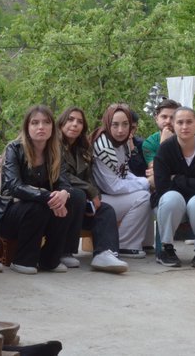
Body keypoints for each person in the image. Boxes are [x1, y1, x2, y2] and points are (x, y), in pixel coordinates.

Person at [0, 105, 85, 274]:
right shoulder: (14, 148)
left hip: (43, 206)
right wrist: (47, 196)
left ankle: (50, 260)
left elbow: (64, 182)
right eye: (35, 123)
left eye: (46, 122)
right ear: (27, 127)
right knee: (39, 207)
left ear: (53, 127)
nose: (41, 127)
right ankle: (22, 260)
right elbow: (14, 187)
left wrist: (64, 193)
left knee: (69, 200)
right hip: (11, 212)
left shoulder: (56, 150)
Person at [58, 106, 129, 273]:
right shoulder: (53, 146)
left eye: (79, 122)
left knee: (105, 210)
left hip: (81, 204)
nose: (75, 124)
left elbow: (88, 177)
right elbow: (61, 176)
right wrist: (91, 191)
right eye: (70, 120)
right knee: (76, 195)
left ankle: (105, 253)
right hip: (60, 201)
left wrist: (93, 196)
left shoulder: (82, 149)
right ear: (61, 123)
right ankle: (65, 251)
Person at [153, 107, 195, 268]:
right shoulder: (165, 149)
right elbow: (162, 186)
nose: (184, 127)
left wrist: (176, 179)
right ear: (173, 125)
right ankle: (166, 249)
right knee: (172, 198)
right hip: (169, 206)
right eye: (180, 122)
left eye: (189, 122)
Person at [91, 103, 153, 259]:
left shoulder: (121, 143)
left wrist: (148, 181)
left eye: (125, 124)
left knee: (148, 191)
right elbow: (112, 186)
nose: (121, 130)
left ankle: (145, 243)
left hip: (107, 195)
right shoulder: (103, 147)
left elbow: (124, 173)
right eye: (115, 125)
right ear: (107, 124)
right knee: (143, 197)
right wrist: (147, 182)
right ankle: (125, 244)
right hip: (97, 199)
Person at [141, 99, 181, 165]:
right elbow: (155, 168)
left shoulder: (187, 138)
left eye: (172, 117)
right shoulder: (150, 143)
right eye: (164, 117)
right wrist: (163, 144)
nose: (168, 121)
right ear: (156, 119)